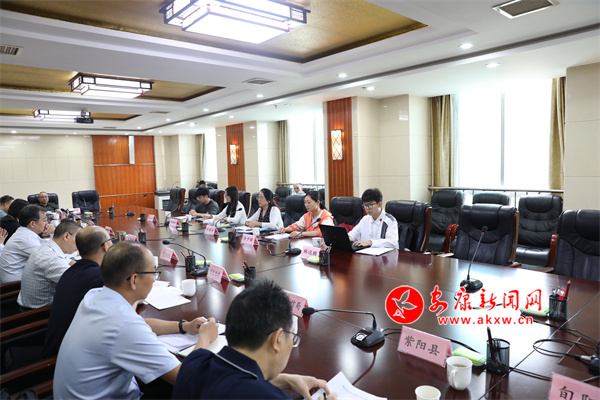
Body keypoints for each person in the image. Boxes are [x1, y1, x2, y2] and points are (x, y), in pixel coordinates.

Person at [53, 241, 219, 400]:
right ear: (134, 280)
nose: (154, 279)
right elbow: (187, 378)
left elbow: (140, 324)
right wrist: (205, 337)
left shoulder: (95, 295)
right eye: (153, 272)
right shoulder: (124, 324)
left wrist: (185, 326)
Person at [173, 280, 336, 400]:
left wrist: (286, 380)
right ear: (277, 339)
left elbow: (229, 383)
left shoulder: (194, 361)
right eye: (291, 336)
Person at [43, 226, 112, 358]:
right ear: (105, 246)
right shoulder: (101, 278)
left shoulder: (70, 271)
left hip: (59, 345)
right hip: (67, 356)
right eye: (110, 241)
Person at [17, 220, 81, 309]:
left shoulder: (47, 248)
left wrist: (73, 264)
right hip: (39, 312)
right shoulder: (50, 258)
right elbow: (78, 284)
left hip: (30, 304)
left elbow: (64, 260)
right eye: (78, 239)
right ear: (66, 236)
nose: (80, 243)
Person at [0, 205, 48, 283]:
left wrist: (54, 233)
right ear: (32, 224)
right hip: (14, 285)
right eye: (44, 220)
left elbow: (46, 246)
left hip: (21, 278)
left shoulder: (24, 232)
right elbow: (48, 258)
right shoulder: (25, 239)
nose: (47, 223)